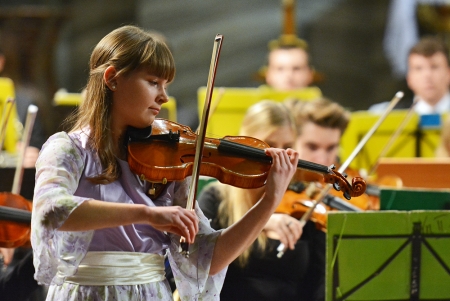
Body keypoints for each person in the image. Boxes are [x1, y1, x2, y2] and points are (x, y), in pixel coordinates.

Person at [30, 25, 299, 301]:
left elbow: (207, 259)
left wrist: (268, 202)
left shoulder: (166, 162)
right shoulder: (68, 149)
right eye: (153, 82)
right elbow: (51, 210)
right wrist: (147, 213)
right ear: (112, 79)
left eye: (166, 85)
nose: (164, 97)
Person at [198, 100, 324, 301]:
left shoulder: (304, 204)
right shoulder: (215, 198)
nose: (280, 160)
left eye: (288, 148)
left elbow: (318, 282)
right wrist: (265, 218)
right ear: (247, 145)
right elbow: (202, 266)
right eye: (270, 147)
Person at [369, 36, 450, 115]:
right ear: (409, 78)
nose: (427, 75)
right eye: (419, 68)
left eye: (434, 67)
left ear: (448, 73)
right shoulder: (385, 115)